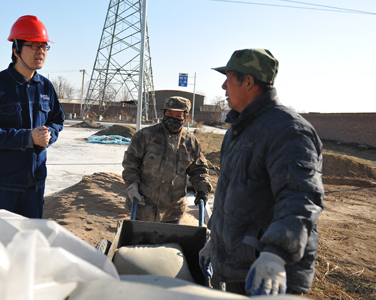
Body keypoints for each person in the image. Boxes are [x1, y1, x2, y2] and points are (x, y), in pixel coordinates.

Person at [199, 48, 324, 296]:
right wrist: (214, 243)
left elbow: (300, 198)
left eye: (229, 78)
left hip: (268, 274)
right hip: (240, 266)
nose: (223, 86)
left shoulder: (288, 130)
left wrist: (275, 254)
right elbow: (232, 195)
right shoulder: (239, 130)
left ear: (248, 82)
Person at [0, 15, 64, 218]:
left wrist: (50, 134)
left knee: (27, 243)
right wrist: (27, 137)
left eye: (44, 46)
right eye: (33, 45)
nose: (40, 51)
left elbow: (57, 120)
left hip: (34, 185)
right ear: (16, 49)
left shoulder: (46, 87)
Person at [122, 96, 212, 223]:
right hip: (142, 207)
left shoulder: (191, 142)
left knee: (168, 243)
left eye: (178, 115)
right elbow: (131, 163)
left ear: (185, 117)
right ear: (163, 114)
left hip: (172, 212)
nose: (172, 117)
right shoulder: (145, 136)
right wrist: (132, 186)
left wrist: (202, 189)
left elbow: (199, 169)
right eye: (169, 113)